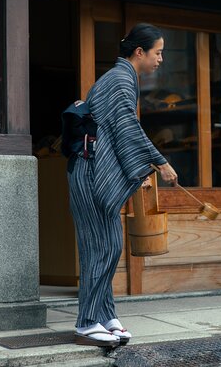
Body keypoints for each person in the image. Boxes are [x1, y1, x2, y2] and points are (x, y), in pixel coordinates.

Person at [67, 23, 178, 347]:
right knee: (99, 248)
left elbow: (119, 129)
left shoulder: (122, 78)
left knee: (109, 246)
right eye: (158, 52)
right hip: (89, 172)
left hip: (91, 170)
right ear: (139, 52)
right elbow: (126, 126)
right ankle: (87, 323)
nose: (160, 59)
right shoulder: (119, 79)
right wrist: (158, 161)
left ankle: (104, 314)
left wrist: (145, 164)